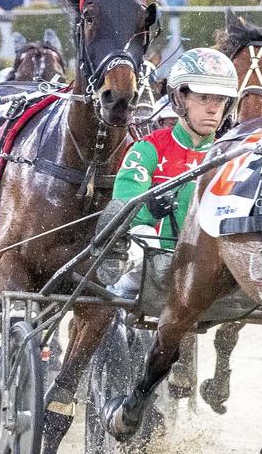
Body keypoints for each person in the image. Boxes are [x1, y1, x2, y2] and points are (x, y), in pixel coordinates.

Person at [96, 48, 238, 290]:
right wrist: (150, 208)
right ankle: (115, 264)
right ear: (179, 99)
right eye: (203, 97)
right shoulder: (148, 149)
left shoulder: (231, 156)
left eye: (221, 99)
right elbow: (124, 209)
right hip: (146, 265)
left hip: (209, 263)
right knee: (145, 240)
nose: (214, 108)